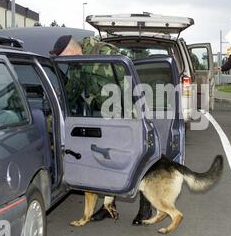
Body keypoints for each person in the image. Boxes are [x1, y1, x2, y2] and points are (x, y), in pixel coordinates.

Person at [50, 35, 153, 225]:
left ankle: (145, 208)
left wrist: (134, 116)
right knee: (107, 158)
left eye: (64, 56)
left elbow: (130, 81)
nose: (65, 62)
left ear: (71, 50)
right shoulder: (77, 66)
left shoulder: (104, 52)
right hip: (106, 118)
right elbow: (71, 92)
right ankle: (108, 206)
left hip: (128, 118)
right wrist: (53, 110)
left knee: (134, 158)